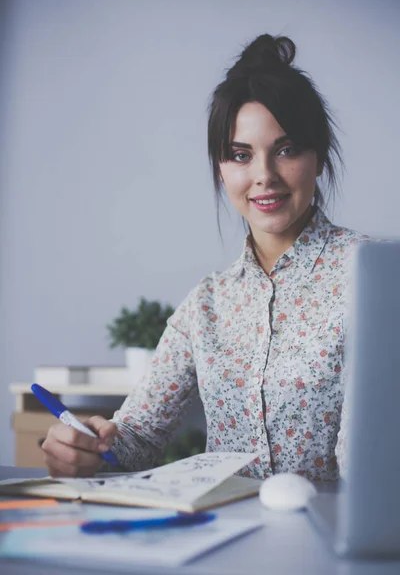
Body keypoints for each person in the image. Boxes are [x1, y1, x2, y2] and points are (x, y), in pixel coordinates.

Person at [42, 33, 366, 481]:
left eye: (286, 149)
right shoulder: (207, 304)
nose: (264, 176)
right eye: (240, 155)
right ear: (220, 166)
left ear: (319, 155)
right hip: (227, 540)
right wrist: (88, 447)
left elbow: (371, 466)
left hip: (339, 543)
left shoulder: (373, 278)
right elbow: (135, 439)